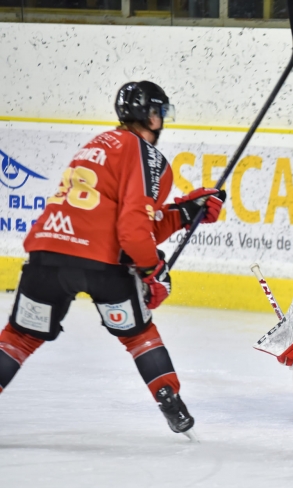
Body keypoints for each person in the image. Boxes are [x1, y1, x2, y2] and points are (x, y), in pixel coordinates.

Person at [0, 81, 225, 435]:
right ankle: (170, 399)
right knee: (138, 335)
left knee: (18, 338)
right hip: (103, 264)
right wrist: (153, 270)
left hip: (47, 255)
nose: (161, 120)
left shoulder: (98, 145)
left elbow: (124, 221)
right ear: (150, 114)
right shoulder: (147, 155)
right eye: (160, 112)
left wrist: (185, 212)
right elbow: (133, 230)